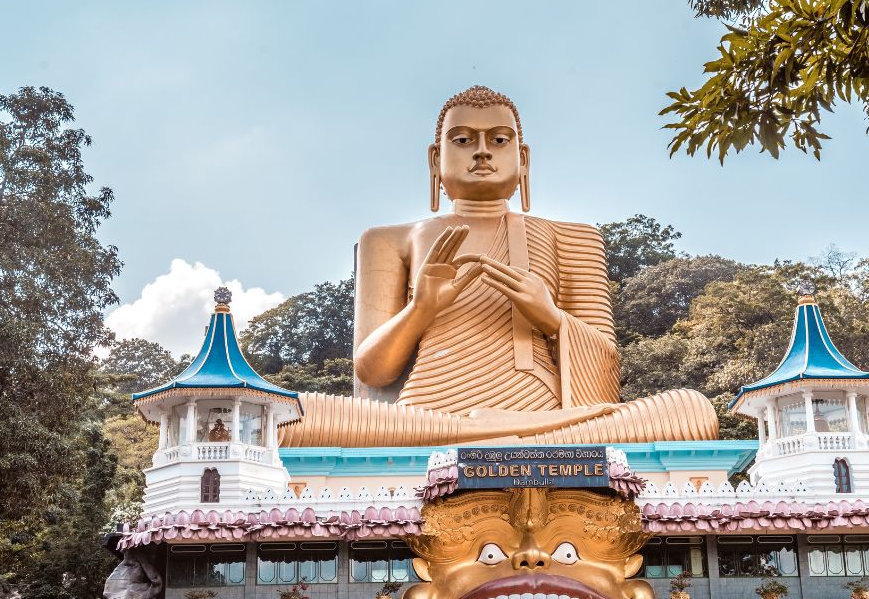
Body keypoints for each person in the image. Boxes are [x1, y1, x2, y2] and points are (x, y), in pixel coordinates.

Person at [280, 86, 717, 446]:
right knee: (291, 419)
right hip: (424, 418)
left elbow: (605, 365)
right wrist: (421, 310)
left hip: (552, 416)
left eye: (499, 140)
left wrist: (550, 317)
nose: (483, 152)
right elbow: (372, 372)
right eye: (464, 140)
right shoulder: (389, 239)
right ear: (436, 159)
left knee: (693, 411)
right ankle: (503, 440)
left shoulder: (574, 236)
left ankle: (492, 438)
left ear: (523, 158)